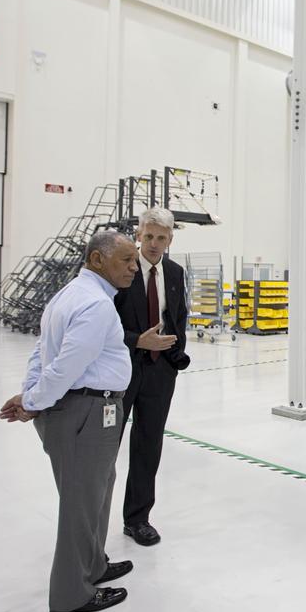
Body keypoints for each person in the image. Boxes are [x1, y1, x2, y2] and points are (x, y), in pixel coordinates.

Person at [0, 230, 138, 612]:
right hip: (86, 413)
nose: (133, 267)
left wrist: (31, 395)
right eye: (126, 260)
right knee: (81, 503)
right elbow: (65, 366)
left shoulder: (69, 296)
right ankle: (71, 594)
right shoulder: (95, 304)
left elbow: (41, 353)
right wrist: (31, 401)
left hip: (84, 412)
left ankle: (93, 566)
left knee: (97, 490)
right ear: (97, 260)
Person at [115, 207, 190, 547]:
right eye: (149, 237)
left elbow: (178, 315)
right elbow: (104, 322)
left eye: (162, 238)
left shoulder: (173, 272)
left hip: (160, 371)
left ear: (170, 239)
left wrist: (175, 355)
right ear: (138, 235)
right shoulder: (123, 271)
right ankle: (92, 519)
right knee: (106, 447)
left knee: (148, 445)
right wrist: (136, 341)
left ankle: (137, 519)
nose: (154, 244)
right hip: (123, 369)